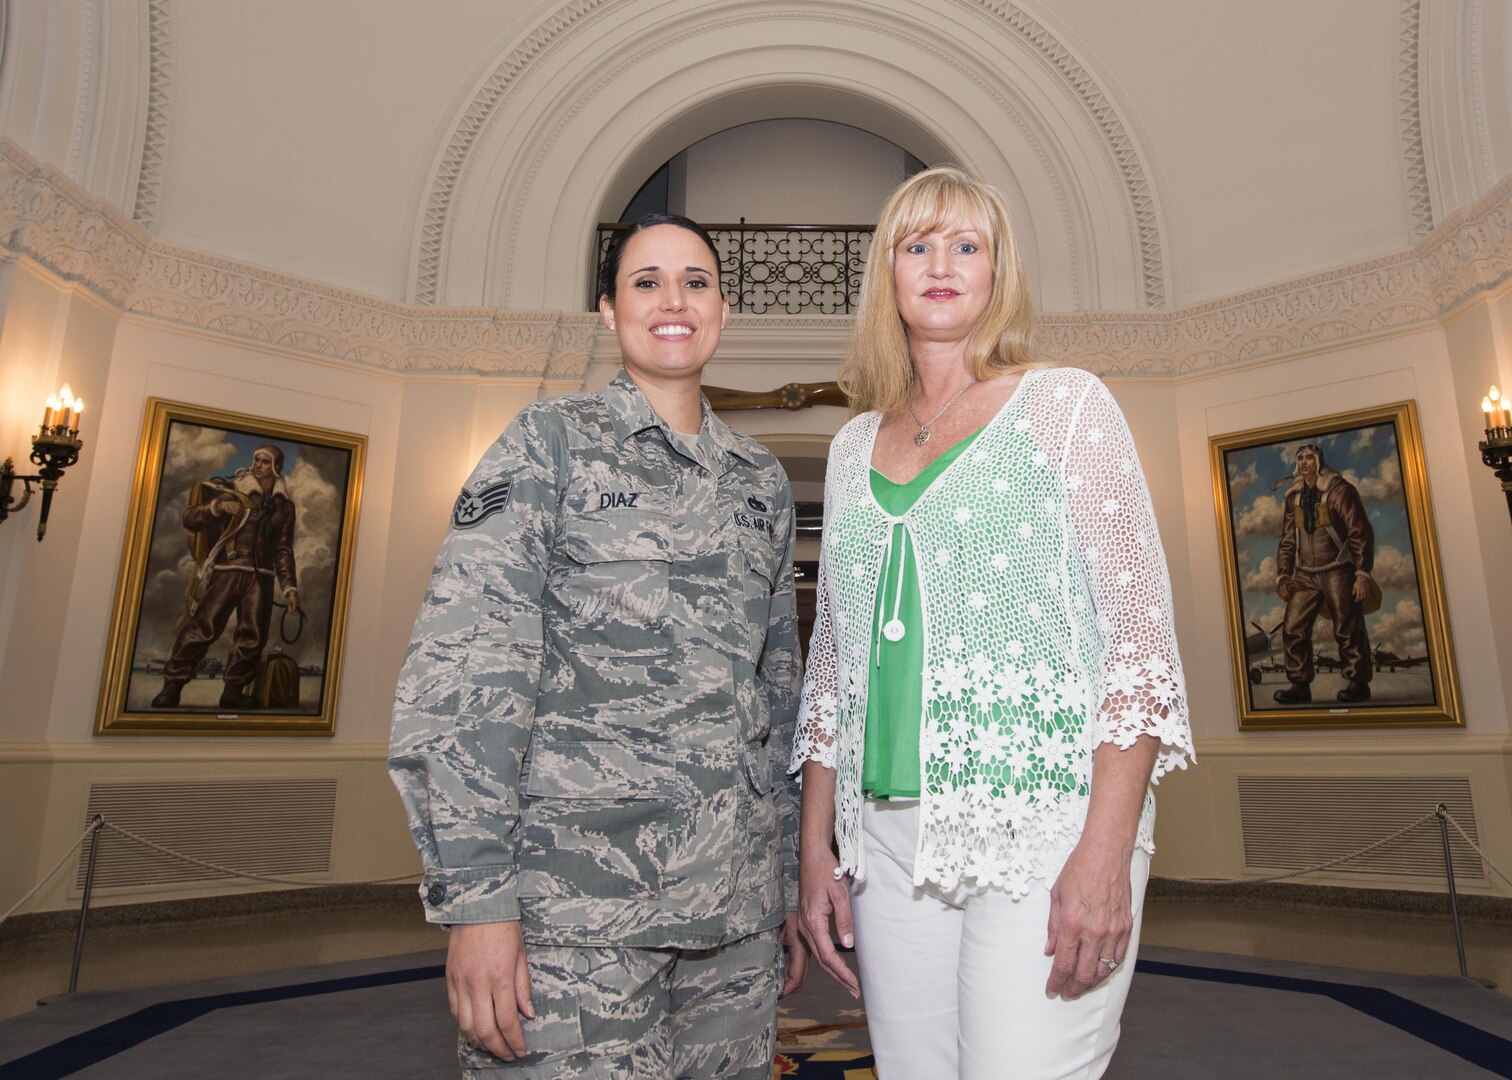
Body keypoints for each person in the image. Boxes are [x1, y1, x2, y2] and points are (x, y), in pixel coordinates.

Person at [792, 167, 1192, 1080]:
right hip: (888, 848)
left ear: (997, 271)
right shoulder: (852, 448)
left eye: (966, 245)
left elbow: (1139, 648)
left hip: (1044, 827)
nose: (942, 264)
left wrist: (1105, 852)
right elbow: (832, 670)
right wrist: (817, 847)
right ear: (887, 273)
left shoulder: (1069, 407)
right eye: (917, 245)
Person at [389, 213, 807, 1079]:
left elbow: (778, 699)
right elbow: (468, 672)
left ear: (722, 309)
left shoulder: (762, 482)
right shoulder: (549, 445)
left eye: (695, 281)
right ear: (610, 314)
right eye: (646, 282)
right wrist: (476, 905)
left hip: (733, 930)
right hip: (574, 921)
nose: (673, 301)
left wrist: (786, 891)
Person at [150, 444, 300, 709]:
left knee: (252, 635)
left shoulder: (284, 506)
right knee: (202, 628)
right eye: (256, 459)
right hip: (227, 570)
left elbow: (283, 549)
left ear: (276, 467)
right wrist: (217, 507)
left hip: (261, 577)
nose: (258, 464)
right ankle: (172, 686)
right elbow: (190, 518)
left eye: (265, 461)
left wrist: (289, 588)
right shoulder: (230, 491)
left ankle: (233, 690)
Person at [1273, 442, 1376, 705]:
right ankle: (1299, 684)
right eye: (1301, 458)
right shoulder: (1293, 498)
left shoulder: (1340, 491)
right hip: (1305, 573)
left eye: (1310, 457)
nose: (1305, 462)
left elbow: (1360, 532)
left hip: (1338, 570)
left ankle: (1357, 681)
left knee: (1347, 626)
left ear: (1319, 461)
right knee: (1293, 627)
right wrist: (1283, 575)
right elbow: (1287, 540)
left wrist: (1362, 573)